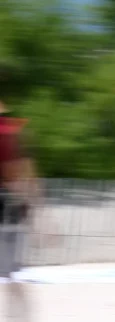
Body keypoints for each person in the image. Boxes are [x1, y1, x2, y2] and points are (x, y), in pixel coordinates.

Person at [0, 105, 41, 322]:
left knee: (7, 276)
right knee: (8, 275)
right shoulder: (14, 130)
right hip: (14, 212)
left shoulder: (5, 132)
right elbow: (28, 173)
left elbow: (13, 172)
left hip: (7, 212)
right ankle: (19, 317)